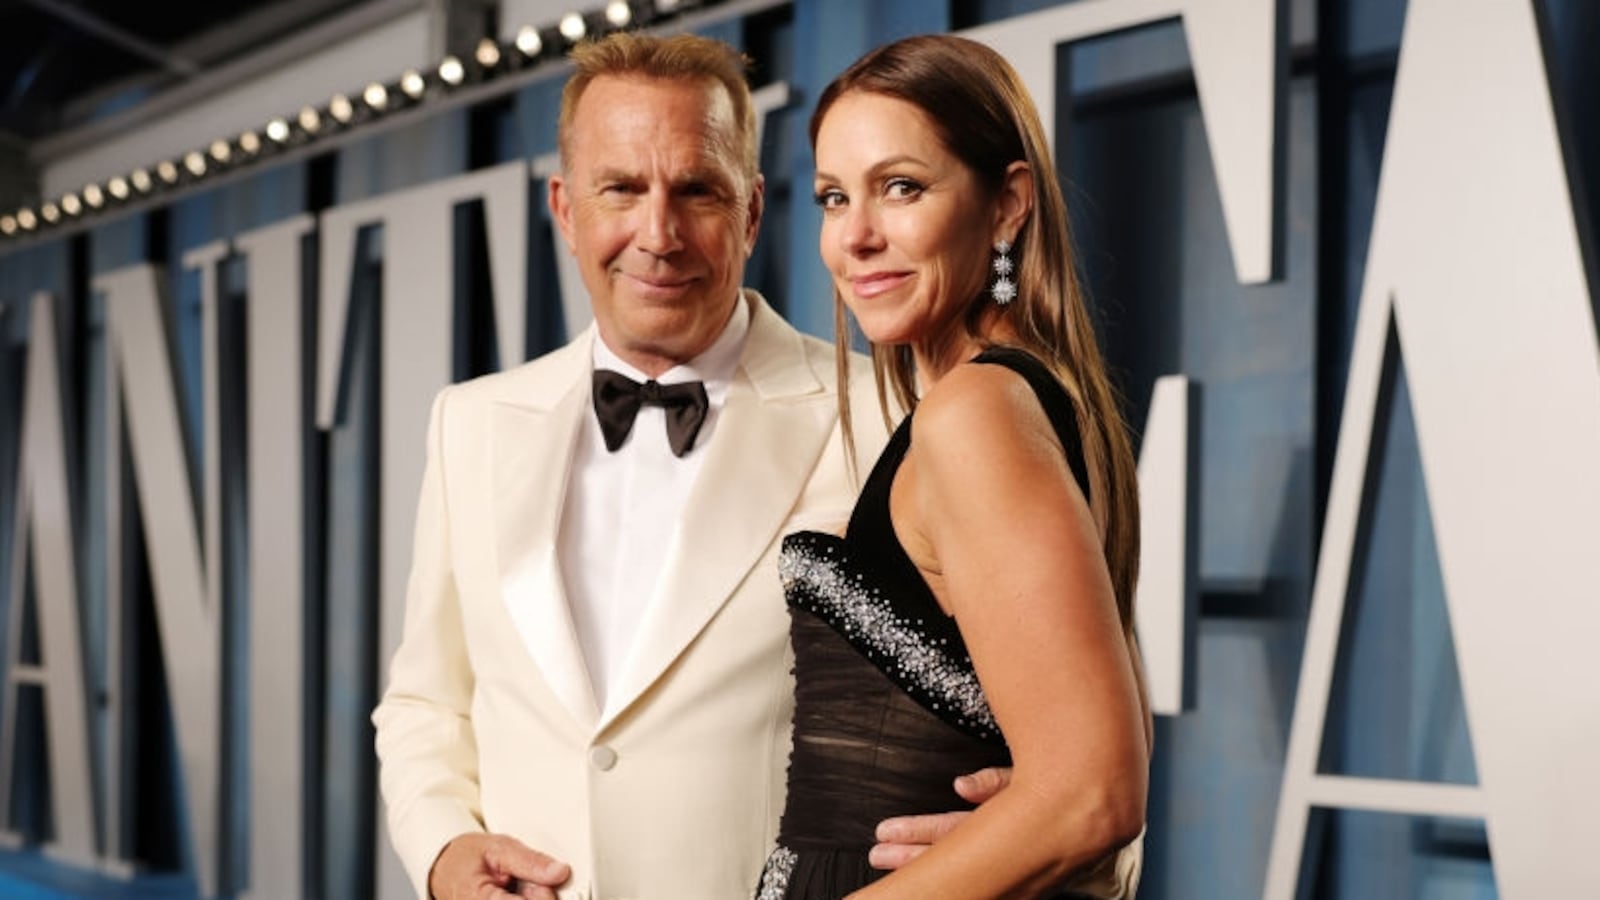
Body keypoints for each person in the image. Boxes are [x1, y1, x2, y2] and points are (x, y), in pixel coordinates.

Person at [372, 32, 999, 900]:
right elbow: (426, 704)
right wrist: (442, 850)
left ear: (749, 211)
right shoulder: (469, 422)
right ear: (565, 209)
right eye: (621, 189)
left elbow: (1064, 737)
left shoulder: (893, 415)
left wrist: (1016, 838)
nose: (657, 235)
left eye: (696, 190)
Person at [755, 34, 1152, 899]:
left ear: (1008, 204)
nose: (855, 236)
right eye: (832, 197)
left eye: (901, 187)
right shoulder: (1028, 400)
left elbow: (1096, 790)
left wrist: (1058, 820)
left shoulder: (976, 413)